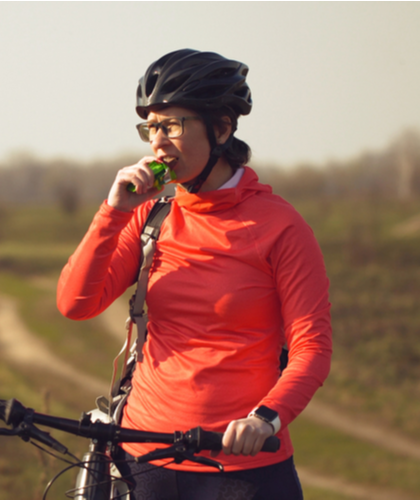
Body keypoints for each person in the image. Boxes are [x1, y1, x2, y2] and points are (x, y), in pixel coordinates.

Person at [56, 49, 332, 499]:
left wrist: (266, 418)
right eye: (152, 128)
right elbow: (74, 304)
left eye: (173, 126)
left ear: (221, 128)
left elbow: (312, 346)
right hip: (143, 458)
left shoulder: (280, 226)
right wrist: (113, 213)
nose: (158, 143)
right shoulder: (151, 218)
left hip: (242, 465)